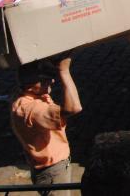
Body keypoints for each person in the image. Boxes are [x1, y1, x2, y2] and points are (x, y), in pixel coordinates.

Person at [11, 55, 82, 196]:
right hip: (53, 173)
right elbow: (74, 108)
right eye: (45, 80)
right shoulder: (32, 109)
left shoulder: (30, 95)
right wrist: (64, 71)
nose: (52, 81)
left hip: (54, 168)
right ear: (30, 86)